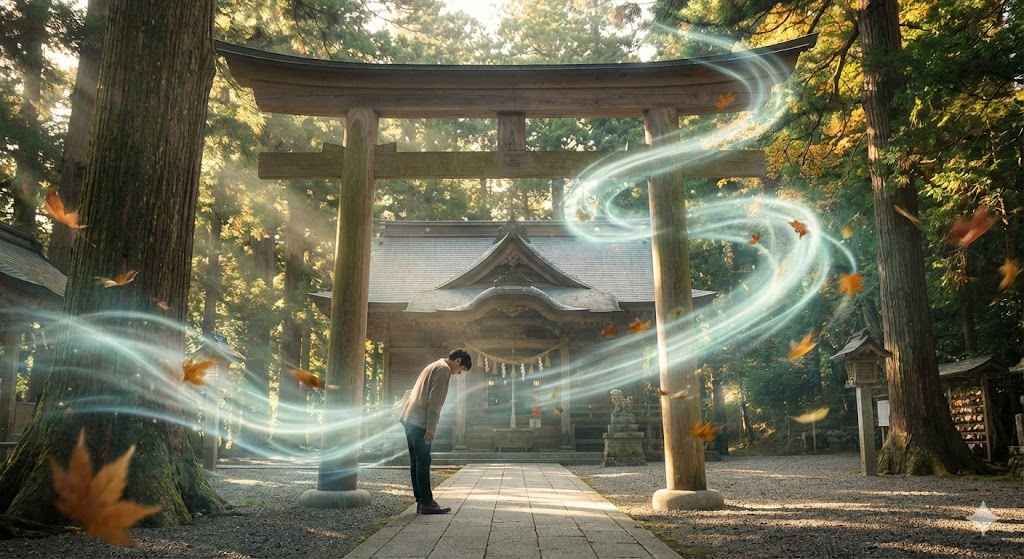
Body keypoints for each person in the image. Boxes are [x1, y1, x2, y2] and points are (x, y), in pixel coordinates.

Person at [398, 348, 472, 514]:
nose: (459, 374)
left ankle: (421, 500)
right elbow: (434, 400)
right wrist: (431, 426)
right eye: (461, 370)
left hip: (409, 418)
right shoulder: (444, 369)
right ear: (458, 361)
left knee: (416, 462)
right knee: (423, 461)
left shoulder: (433, 365)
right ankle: (427, 502)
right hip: (419, 421)